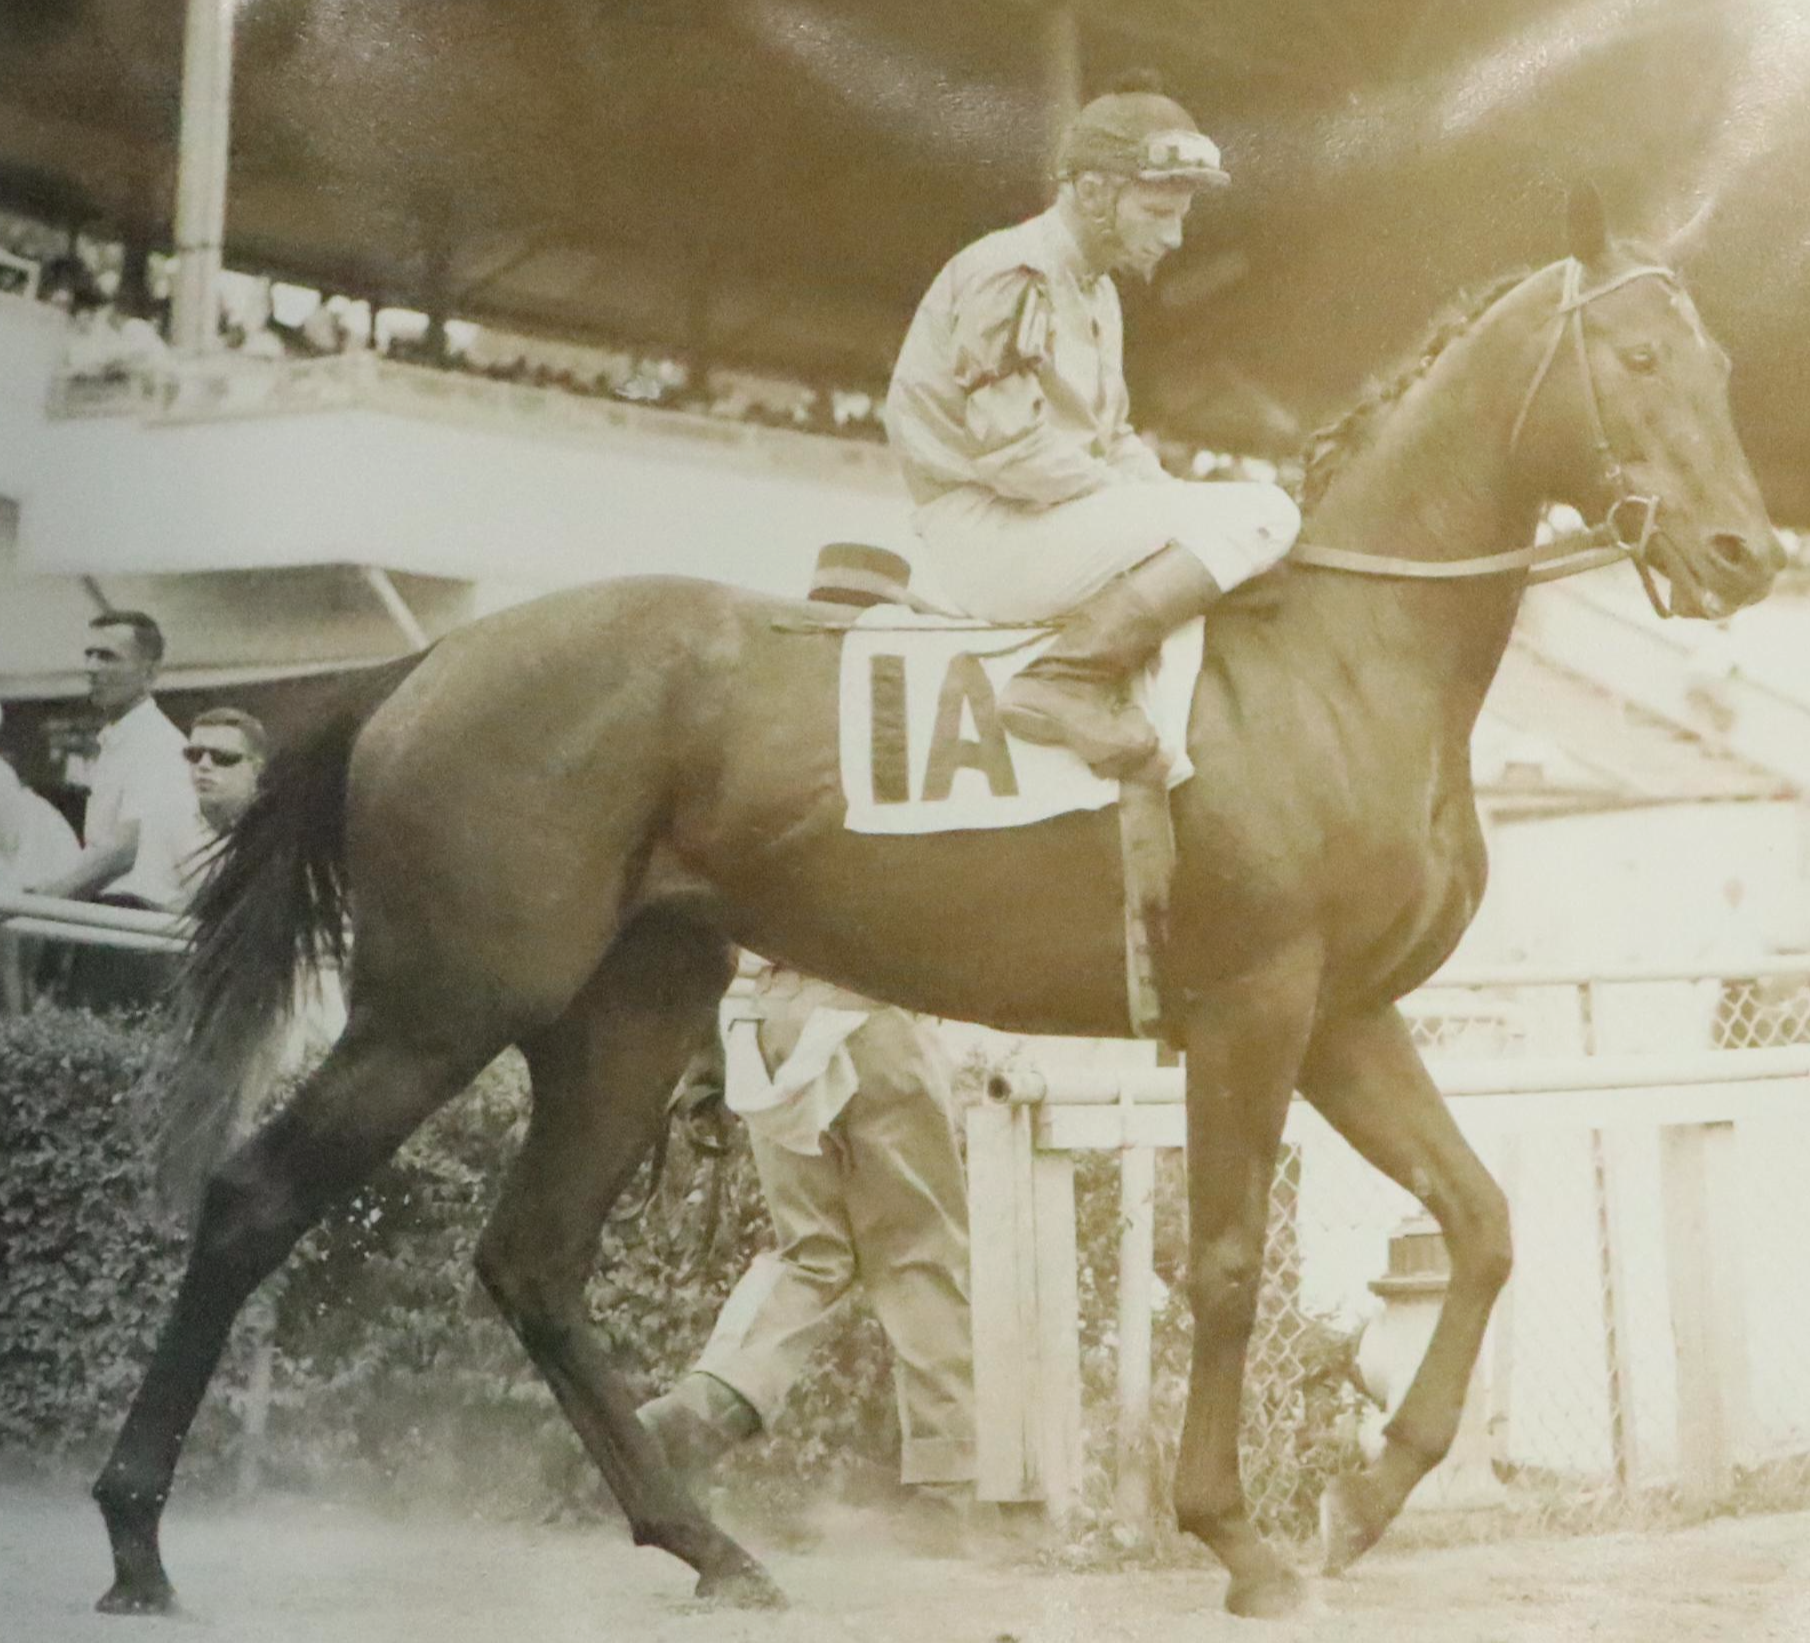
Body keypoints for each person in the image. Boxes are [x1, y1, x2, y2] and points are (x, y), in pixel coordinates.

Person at [638, 549, 976, 1528]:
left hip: (763, 1017)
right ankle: (949, 1485)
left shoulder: (749, 748)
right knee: (919, 1250)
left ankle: (715, 1392)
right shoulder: (907, 743)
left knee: (810, 1251)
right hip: (869, 1013)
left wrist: (706, 1055)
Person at [885, 72, 1302, 777]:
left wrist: (1171, 500)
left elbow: (1113, 438)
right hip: (990, 532)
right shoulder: (1011, 273)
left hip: (1041, 520)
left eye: (1182, 214)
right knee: (1264, 510)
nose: (1174, 236)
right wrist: (1163, 509)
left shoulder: (1098, 291)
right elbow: (1015, 456)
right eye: (1156, 210)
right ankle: (1061, 682)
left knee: (1231, 515)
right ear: (1092, 193)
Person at [34, 611, 198, 1006]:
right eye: (89, 654)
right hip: (106, 927)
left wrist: (42, 902)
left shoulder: (156, 743)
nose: (91, 667)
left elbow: (125, 849)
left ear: (150, 672)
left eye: (108, 657)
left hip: (133, 935)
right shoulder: (118, 741)